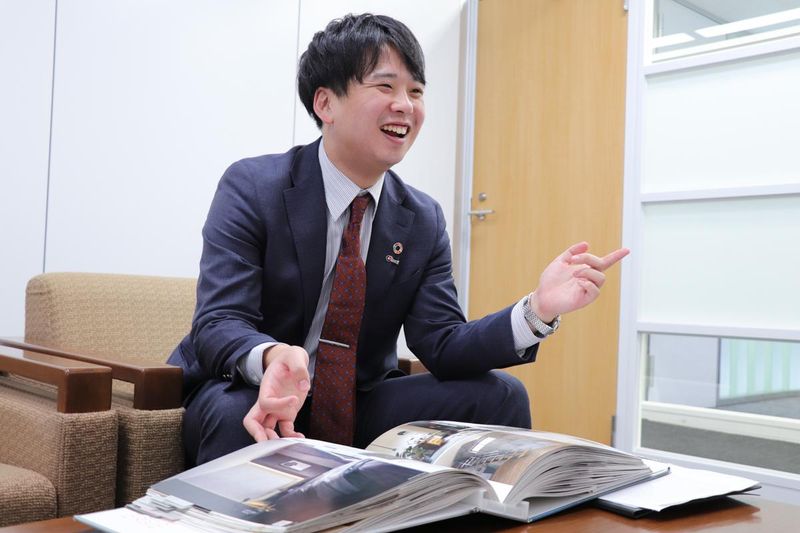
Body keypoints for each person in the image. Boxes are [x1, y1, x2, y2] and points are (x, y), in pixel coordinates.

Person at [168, 13, 629, 466]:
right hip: (249, 387)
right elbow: (219, 321)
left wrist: (536, 310)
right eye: (385, 86)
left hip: (358, 401)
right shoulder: (254, 186)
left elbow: (442, 342)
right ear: (325, 104)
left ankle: (475, 507)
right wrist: (273, 357)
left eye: (416, 91)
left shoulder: (422, 218)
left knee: (502, 395)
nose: (405, 105)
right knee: (239, 415)